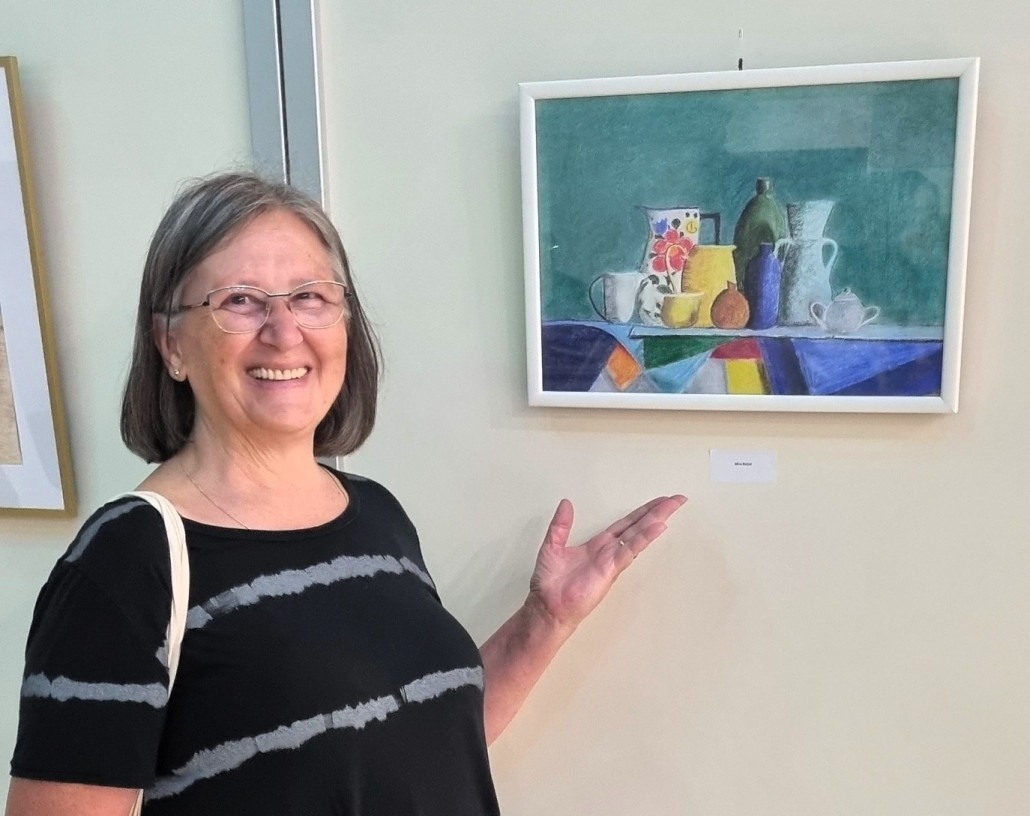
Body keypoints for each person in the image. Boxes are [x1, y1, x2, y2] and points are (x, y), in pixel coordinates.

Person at [4, 172, 686, 815]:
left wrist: (545, 621)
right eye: (239, 300)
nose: (284, 331)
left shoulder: (374, 514)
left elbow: (421, 746)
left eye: (310, 297)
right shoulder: (127, 562)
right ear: (171, 344)